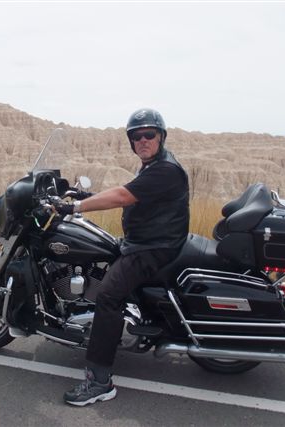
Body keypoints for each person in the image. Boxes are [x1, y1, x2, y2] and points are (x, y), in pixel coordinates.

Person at [54, 108, 190, 406]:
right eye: (136, 136)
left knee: (108, 296)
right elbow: (130, 191)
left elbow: (122, 196)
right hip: (147, 241)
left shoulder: (165, 170)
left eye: (149, 134)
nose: (143, 140)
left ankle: (99, 382)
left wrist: (75, 208)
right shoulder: (154, 165)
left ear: (161, 137)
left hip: (152, 248)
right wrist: (83, 197)